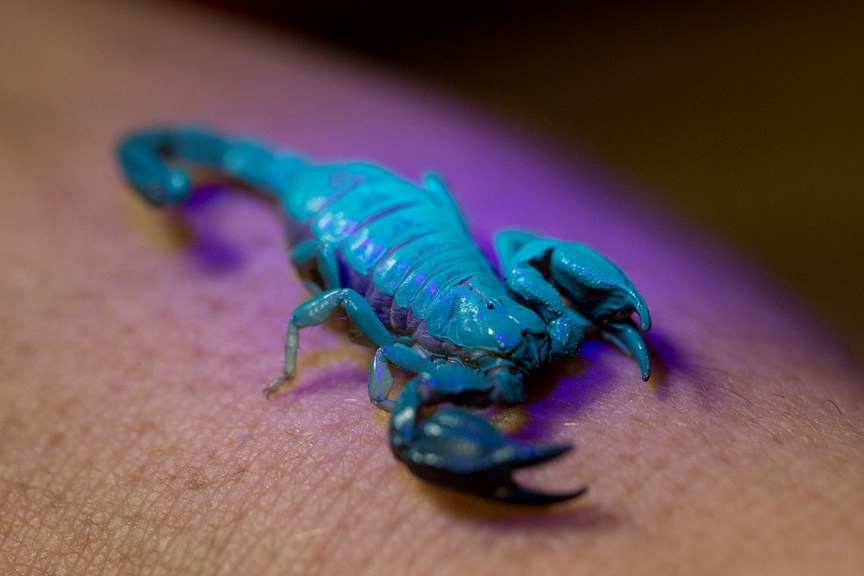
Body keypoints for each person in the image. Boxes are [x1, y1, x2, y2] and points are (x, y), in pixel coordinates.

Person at [2, 0, 862, 574]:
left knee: (484, 236)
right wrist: (305, 369)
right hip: (341, 217)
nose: (534, 355)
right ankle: (188, 181)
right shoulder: (438, 363)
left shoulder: (526, 310)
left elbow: (531, 249)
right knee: (335, 297)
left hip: (407, 216)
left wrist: (614, 317)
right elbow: (370, 358)